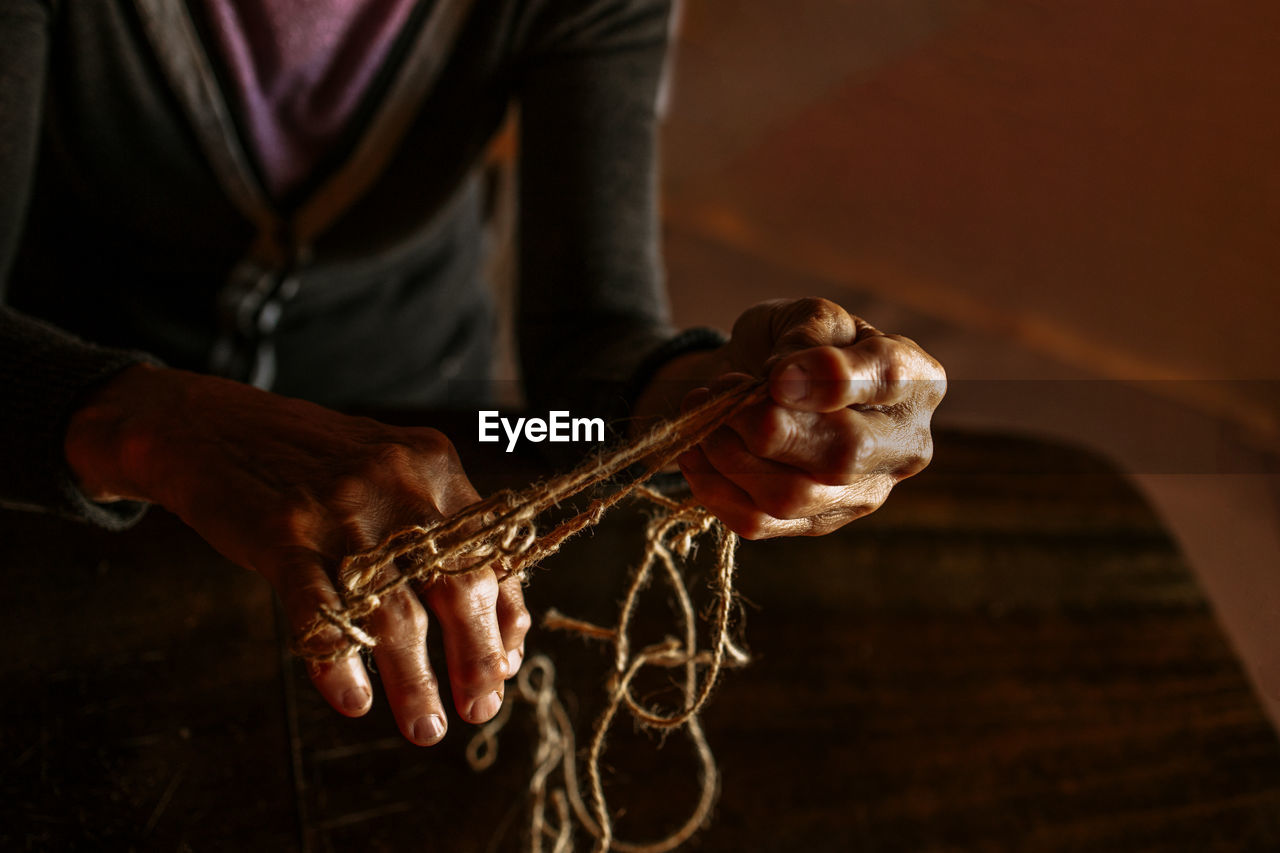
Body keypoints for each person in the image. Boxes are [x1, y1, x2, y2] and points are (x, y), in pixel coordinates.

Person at [0, 0, 945, 748]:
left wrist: (716, 410)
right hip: (61, 447)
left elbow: (588, 364)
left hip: (434, 443)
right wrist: (148, 426)